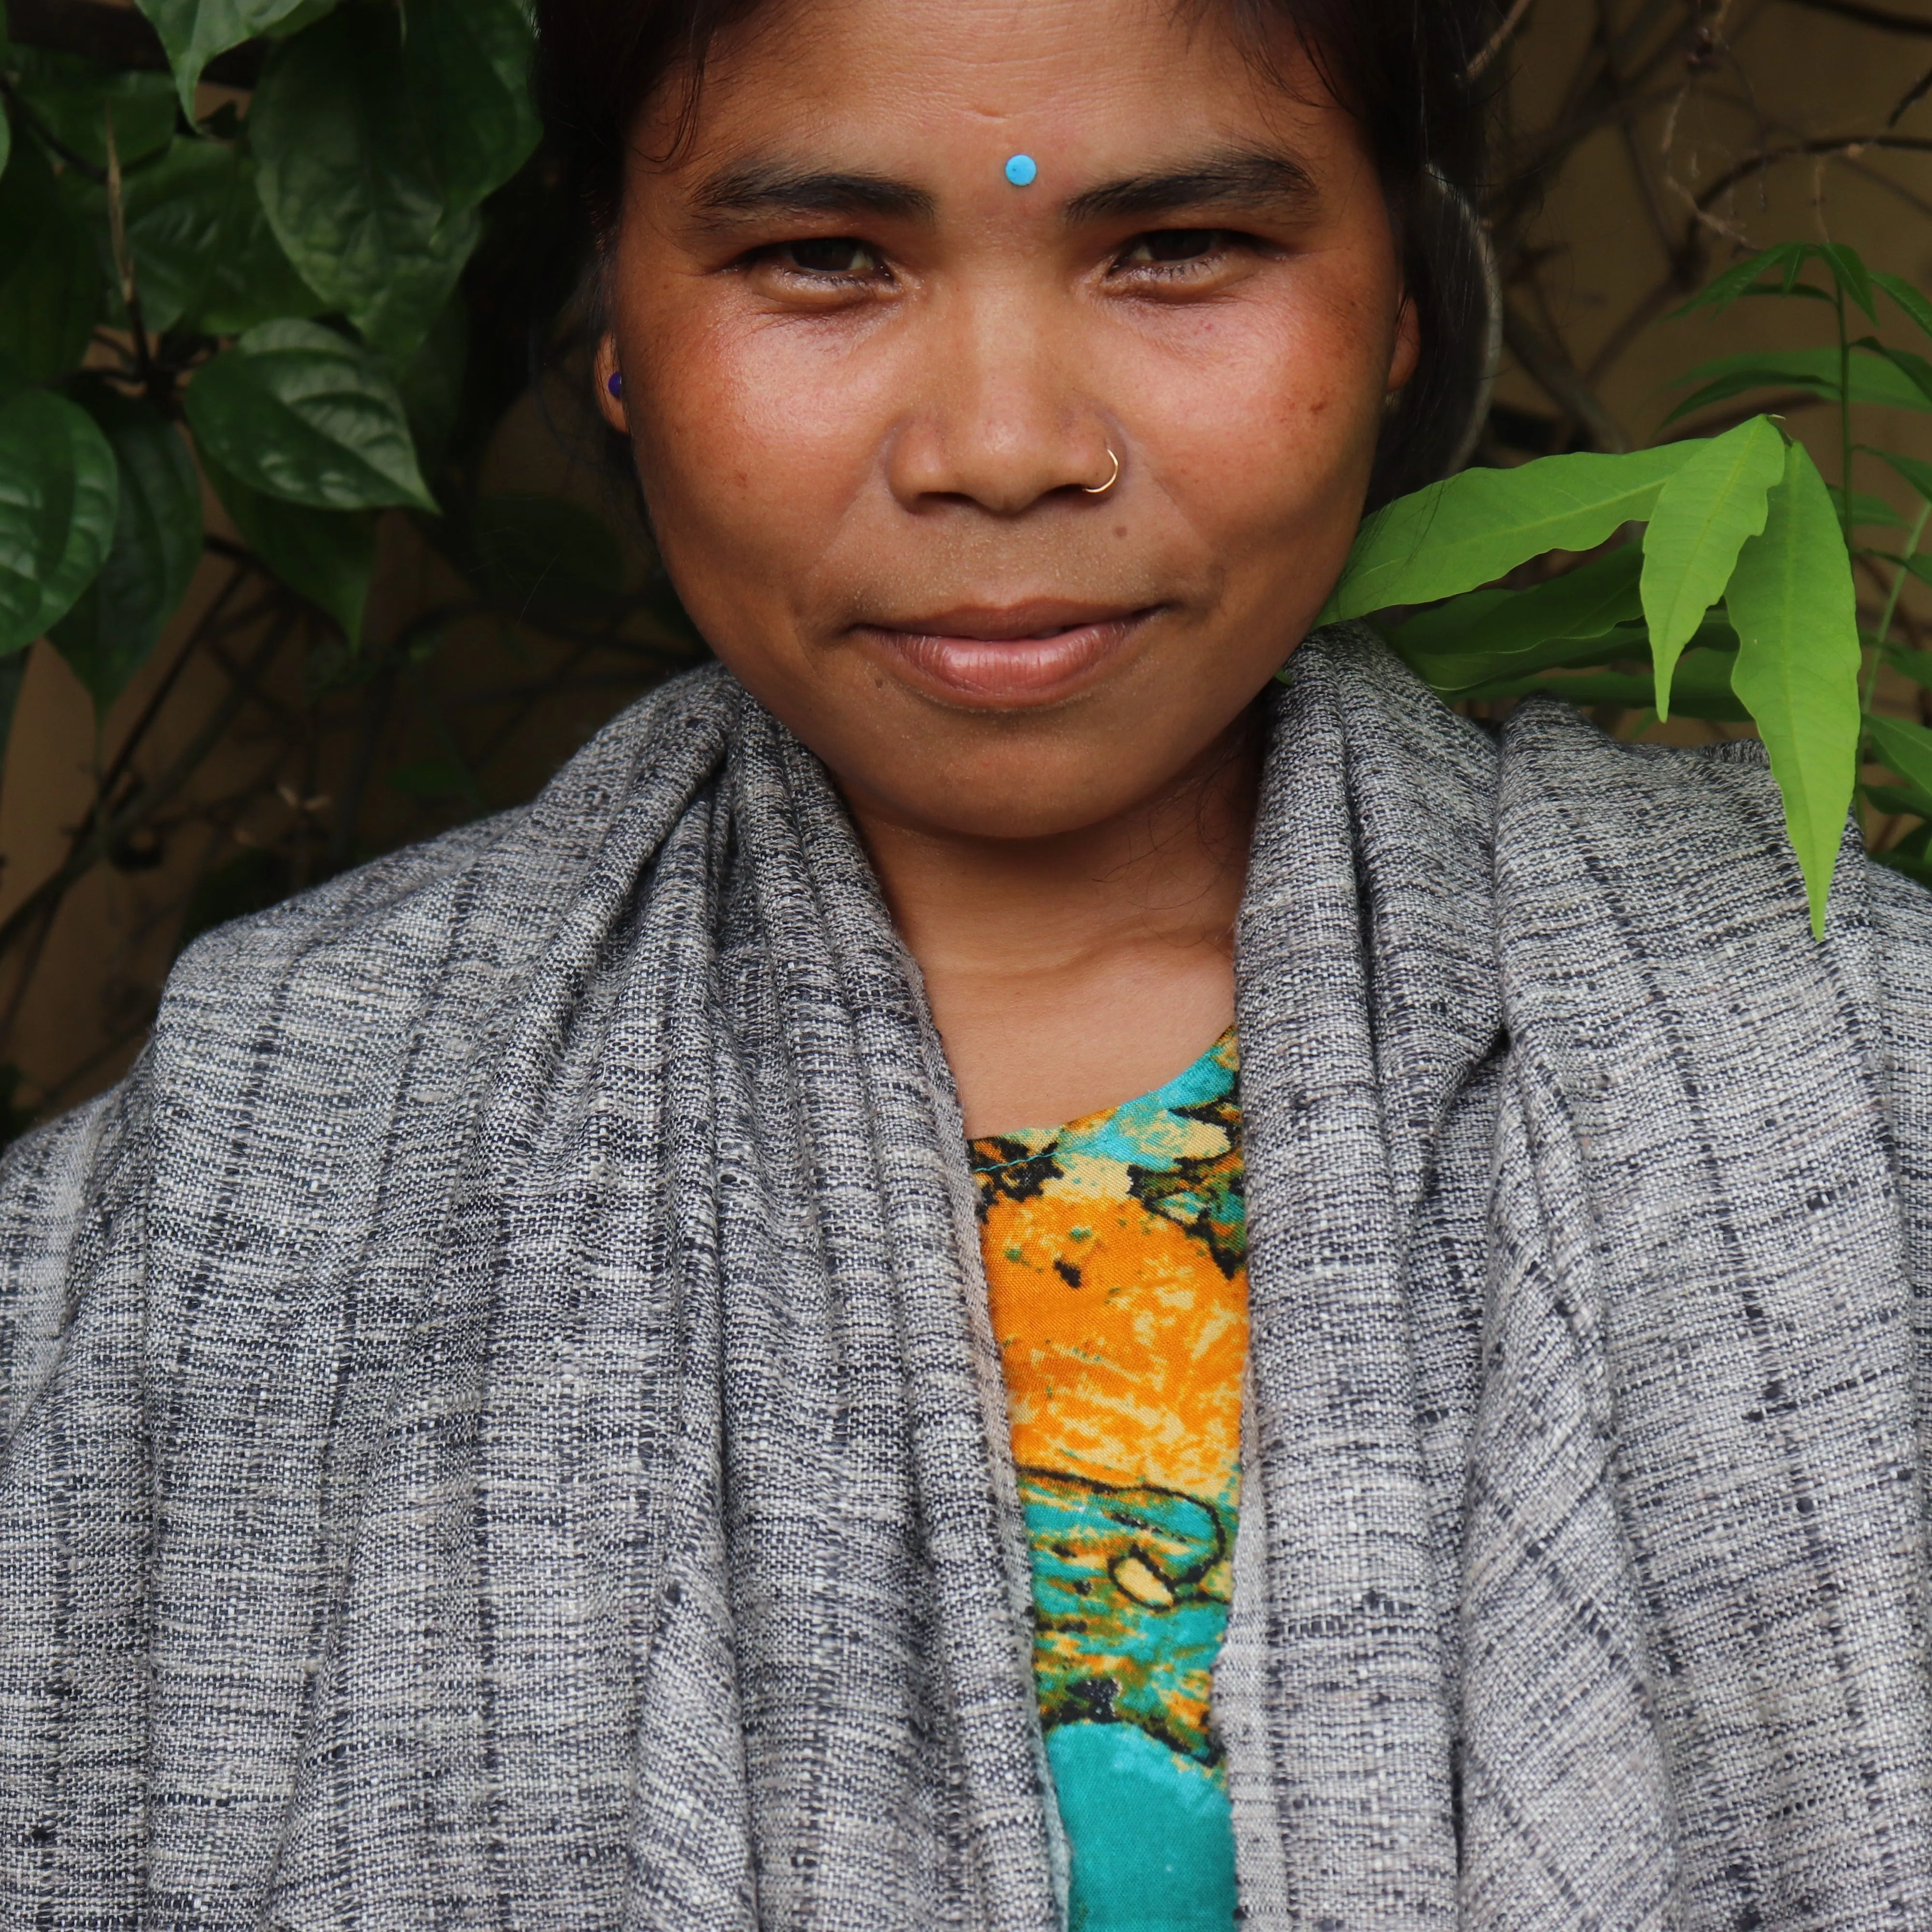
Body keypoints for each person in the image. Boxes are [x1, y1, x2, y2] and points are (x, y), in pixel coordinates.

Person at [6, 0, 1932, 1926]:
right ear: (611, 335)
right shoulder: (254, 1168)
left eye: (1177, 248)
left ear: (1403, 308)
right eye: (821, 261)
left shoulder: (1833, 1072)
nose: (1002, 449)